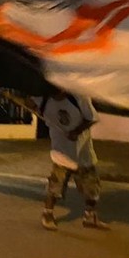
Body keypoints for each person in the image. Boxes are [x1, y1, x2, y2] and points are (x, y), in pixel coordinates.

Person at [32, 90, 109, 231]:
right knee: (55, 185)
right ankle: (47, 214)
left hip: (82, 152)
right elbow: (30, 103)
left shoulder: (79, 97)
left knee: (92, 187)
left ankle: (89, 216)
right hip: (61, 152)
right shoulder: (43, 99)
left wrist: (77, 131)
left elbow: (92, 118)